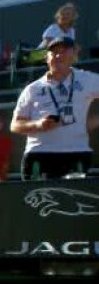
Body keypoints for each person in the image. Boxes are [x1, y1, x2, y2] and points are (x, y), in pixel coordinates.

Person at [11, 36, 99, 180]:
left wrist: (94, 120)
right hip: (39, 155)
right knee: (38, 201)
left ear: (74, 55)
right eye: (54, 52)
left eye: (64, 51)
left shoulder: (87, 79)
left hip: (76, 154)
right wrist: (38, 125)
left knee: (73, 199)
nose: (58, 56)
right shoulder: (33, 89)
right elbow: (15, 125)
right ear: (47, 58)